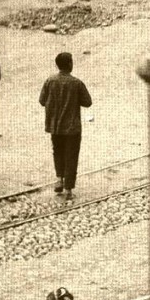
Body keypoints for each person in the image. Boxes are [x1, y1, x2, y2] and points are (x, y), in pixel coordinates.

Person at [38, 52, 92, 201]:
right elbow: (88, 102)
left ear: (57, 65)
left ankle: (59, 180)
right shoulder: (77, 83)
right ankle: (68, 188)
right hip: (72, 127)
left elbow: (42, 100)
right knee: (71, 155)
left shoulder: (50, 81)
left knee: (58, 152)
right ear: (69, 64)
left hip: (55, 126)